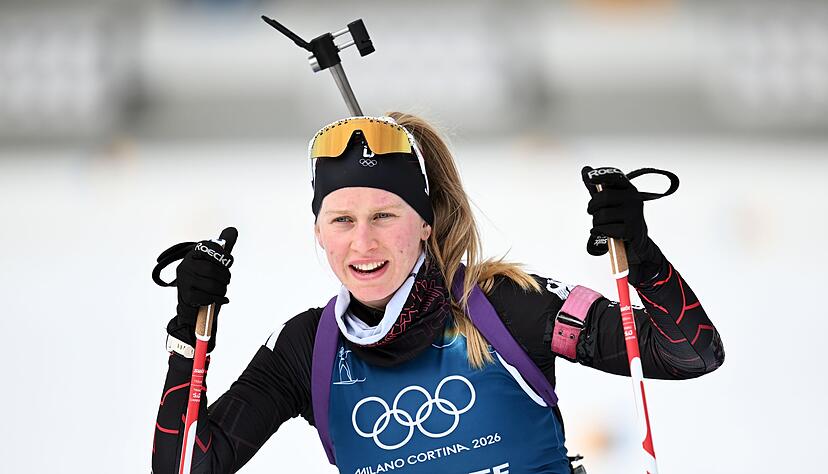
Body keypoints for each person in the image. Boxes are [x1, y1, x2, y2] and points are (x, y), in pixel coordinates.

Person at [151, 113, 725, 474]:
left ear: (425, 222)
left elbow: (690, 353)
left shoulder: (503, 304)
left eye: (385, 214)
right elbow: (187, 467)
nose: (363, 242)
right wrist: (190, 330)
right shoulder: (308, 347)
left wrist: (640, 252)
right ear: (318, 232)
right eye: (342, 220)